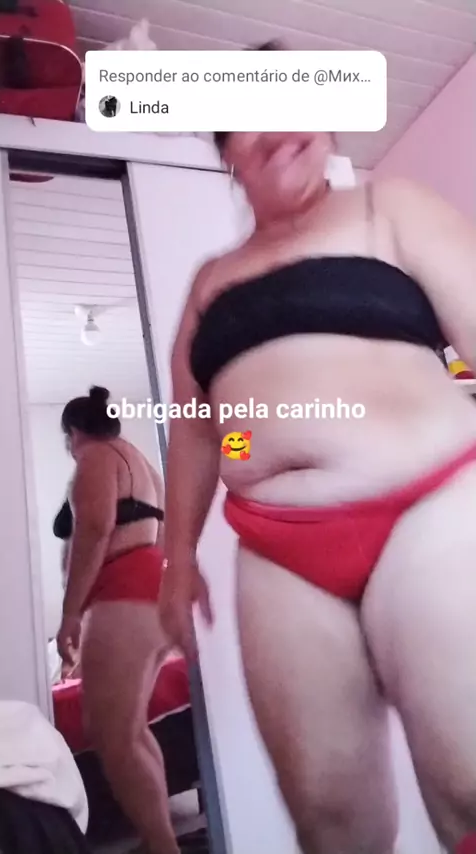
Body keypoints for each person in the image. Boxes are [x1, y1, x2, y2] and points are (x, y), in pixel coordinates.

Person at [158, 115, 476, 854]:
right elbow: (204, 429)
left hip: (428, 506)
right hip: (278, 549)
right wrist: (177, 558)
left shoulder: (386, 208)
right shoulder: (211, 281)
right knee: (329, 821)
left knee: (469, 784)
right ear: (228, 156)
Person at [54, 386, 180, 854]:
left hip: (122, 592)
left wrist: (70, 612)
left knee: (110, 734)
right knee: (130, 730)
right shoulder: (142, 463)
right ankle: (158, 840)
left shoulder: (94, 459)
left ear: (74, 432)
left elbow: (94, 529)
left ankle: (162, 846)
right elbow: (163, 534)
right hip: (149, 589)